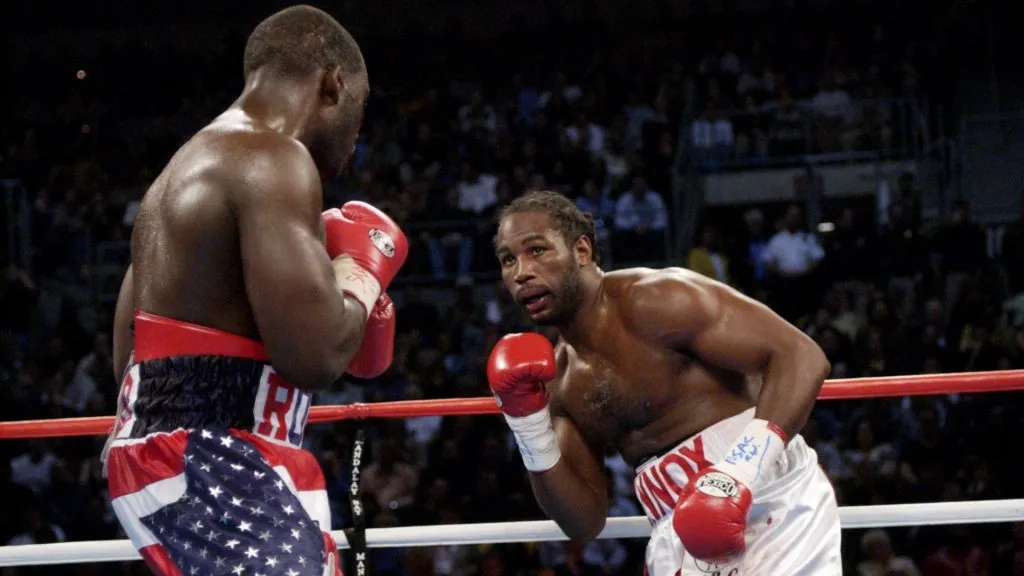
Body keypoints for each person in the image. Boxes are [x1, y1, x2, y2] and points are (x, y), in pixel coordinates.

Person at [100, 6, 408, 575]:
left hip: (187, 457)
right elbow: (315, 356)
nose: (355, 140)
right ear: (333, 84)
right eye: (360, 114)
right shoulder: (274, 159)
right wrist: (362, 276)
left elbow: (130, 359)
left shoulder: (180, 171)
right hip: (215, 458)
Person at [487, 190, 840, 575]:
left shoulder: (657, 299)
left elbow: (801, 355)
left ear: (582, 250)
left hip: (769, 499)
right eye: (508, 260)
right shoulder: (560, 381)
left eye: (536, 250)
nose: (521, 272)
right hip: (675, 527)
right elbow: (583, 521)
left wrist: (736, 475)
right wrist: (527, 425)